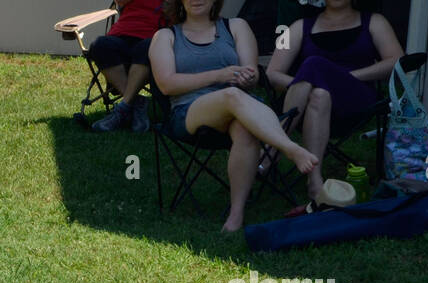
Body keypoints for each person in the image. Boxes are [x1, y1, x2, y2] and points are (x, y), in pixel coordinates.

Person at [149, 0, 320, 231]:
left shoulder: (236, 26)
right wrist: (220, 75)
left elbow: (251, 73)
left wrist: (247, 78)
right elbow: (167, 84)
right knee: (231, 96)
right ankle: (289, 148)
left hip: (241, 109)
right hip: (190, 111)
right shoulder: (166, 37)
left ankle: (236, 214)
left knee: (243, 127)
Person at [265, 0, 403, 203]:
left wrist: (344, 77)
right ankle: (314, 182)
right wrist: (311, 84)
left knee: (314, 64)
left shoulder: (374, 22)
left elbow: (396, 60)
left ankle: (274, 147)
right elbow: (272, 74)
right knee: (320, 94)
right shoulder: (297, 27)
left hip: (356, 100)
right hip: (310, 105)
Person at [88, 0, 166, 133]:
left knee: (147, 48)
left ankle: (123, 108)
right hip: (121, 35)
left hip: (152, 37)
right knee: (100, 45)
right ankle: (135, 101)